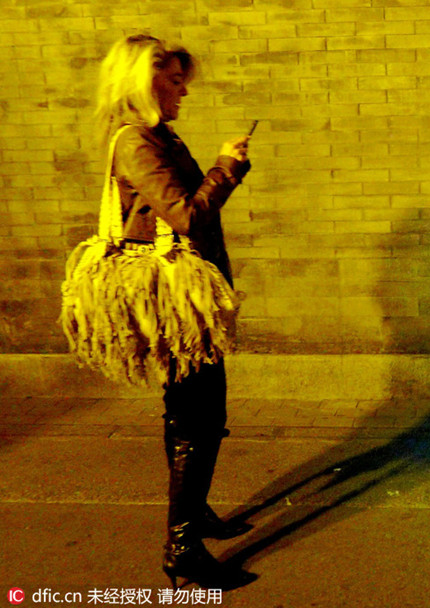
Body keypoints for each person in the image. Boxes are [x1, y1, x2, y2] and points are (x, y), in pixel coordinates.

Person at [95, 35, 255, 588]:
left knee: (187, 407)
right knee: (200, 415)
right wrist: (226, 167)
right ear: (143, 80)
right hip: (174, 302)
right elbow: (187, 216)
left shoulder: (155, 135)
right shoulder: (137, 141)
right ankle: (182, 547)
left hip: (185, 295)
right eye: (174, 80)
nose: (183, 90)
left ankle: (195, 512)